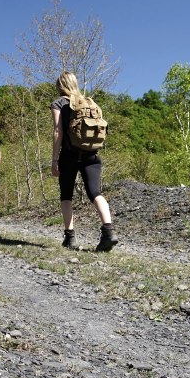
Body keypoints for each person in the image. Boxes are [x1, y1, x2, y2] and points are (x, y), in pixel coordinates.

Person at [50, 71, 118, 251]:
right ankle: (109, 232)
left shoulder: (59, 103)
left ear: (60, 86)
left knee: (66, 195)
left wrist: (55, 159)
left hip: (69, 154)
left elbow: (58, 132)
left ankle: (70, 238)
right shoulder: (89, 103)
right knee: (95, 192)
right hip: (91, 153)